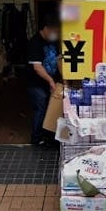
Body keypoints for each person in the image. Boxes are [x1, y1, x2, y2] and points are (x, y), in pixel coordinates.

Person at [26, 13, 61, 147]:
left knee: (49, 108)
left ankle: (47, 136)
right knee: (40, 109)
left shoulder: (53, 41)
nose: (55, 33)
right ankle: (36, 139)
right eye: (54, 31)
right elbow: (37, 67)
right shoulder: (34, 43)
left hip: (50, 82)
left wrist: (62, 79)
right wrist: (50, 81)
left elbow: (58, 59)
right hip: (35, 83)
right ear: (46, 28)